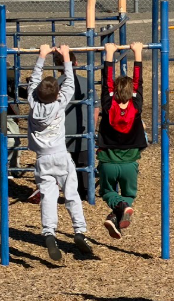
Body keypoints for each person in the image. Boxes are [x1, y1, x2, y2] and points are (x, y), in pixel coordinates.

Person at [27, 44, 93, 261]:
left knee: (48, 196)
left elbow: (34, 82)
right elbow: (70, 84)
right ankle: (79, 231)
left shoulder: (33, 104)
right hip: (61, 156)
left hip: (42, 159)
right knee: (71, 193)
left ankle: (49, 232)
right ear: (56, 94)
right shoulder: (59, 104)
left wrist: (42, 55)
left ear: (37, 94)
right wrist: (66, 57)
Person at [97, 41, 147, 240]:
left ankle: (116, 211)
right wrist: (138, 53)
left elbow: (106, 82)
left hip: (108, 162)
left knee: (107, 191)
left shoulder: (109, 106)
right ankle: (120, 209)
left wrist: (108, 55)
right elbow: (139, 82)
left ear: (114, 93)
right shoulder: (136, 106)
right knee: (129, 195)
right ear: (132, 93)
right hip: (129, 163)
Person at [52, 50, 99, 196]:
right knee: (84, 167)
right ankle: (85, 193)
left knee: (61, 169)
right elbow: (96, 108)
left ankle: (65, 190)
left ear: (56, 67)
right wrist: (92, 128)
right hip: (83, 133)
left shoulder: (53, 86)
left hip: (60, 136)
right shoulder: (86, 83)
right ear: (76, 63)